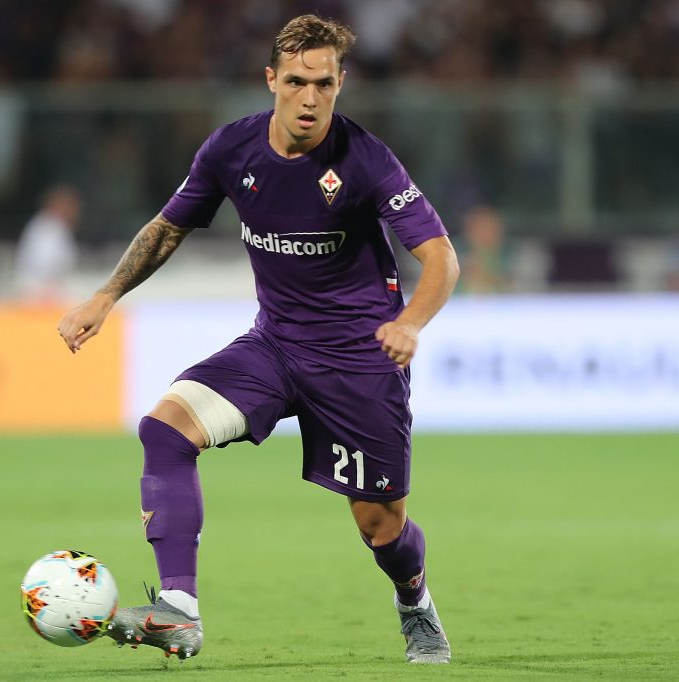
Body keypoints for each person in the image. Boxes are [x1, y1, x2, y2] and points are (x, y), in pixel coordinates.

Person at [57, 15, 459, 664]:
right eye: (297, 82)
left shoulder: (366, 160)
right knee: (165, 430)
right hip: (274, 348)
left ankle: (414, 601)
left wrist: (409, 322)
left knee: (380, 526)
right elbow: (168, 227)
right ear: (271, 79)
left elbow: (440, 256)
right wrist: (106, 295)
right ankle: (179, 610)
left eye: (324, 84)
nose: (310, 98)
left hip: (359, 362)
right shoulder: (230, 150)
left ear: (341, 84)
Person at [17, 185, 81, 302]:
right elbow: (42, 266)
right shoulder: (47, 228)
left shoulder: (58, 227)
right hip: (41, 291)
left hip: (49, 287)